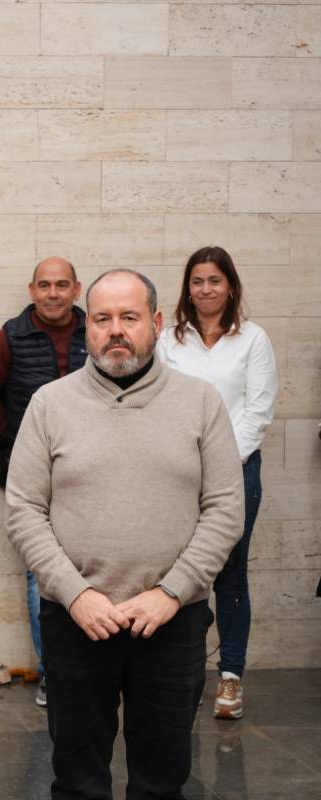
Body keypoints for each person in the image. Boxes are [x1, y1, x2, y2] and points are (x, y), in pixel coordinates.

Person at [6, 268, 244, 800]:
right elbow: (23, 510)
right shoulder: (50, 403)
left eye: (129, 318)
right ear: (86, 326)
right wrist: (77, 594)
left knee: (161, 780)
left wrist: (170, 592)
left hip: (171, 622)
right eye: (102, 318)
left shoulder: (200, 402)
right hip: (75, 622)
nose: (116, 330)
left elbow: (226, 508)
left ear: (156, 324)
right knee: (77, 780)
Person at [156, 246, 278, 721]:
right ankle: (181, 673)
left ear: (231, 286)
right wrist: (192, 460)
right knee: (180, 572)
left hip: (238, 470)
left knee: (230, 573)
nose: (206, 289)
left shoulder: (253, 340)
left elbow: (258, 410)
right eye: (197, 281)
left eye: (215, 281)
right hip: (177, 469)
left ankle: (230, 678)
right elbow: (160, 402)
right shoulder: (169, 340)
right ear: (187, 288)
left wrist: (221, 462)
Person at [0, 256, 86, 707]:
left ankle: (90, 671)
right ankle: (52, 673)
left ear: (77, 289)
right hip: (36, 473)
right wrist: (17, 439)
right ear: (31, 289)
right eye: (45, 285)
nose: (53, 293)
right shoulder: (11, 336)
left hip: (89, 469)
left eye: (62, 285)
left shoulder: (93, 329)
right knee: (41, 575)